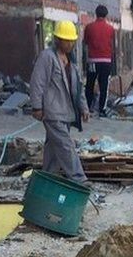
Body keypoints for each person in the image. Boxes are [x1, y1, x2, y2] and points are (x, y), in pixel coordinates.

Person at [30, 20, 89, 185]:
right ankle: (79, 178)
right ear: (57, 39)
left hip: (66, 113)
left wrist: (83, 107)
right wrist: (36, 106)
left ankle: (48, 177)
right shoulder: (47, 57)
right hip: (53, 112)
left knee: (53, 148)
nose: (70, 43)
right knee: (65, 145)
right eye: (66, 40)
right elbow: (37, 83)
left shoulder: (71, 61)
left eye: (72, 40)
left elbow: (78, 87)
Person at [83, 5, 115, 116]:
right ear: (106, 15)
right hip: (106, 61)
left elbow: (85, 43)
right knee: (104, 86)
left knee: (89, 85)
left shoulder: (89, 27)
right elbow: (112, 46)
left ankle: (86, 107)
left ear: (95, 14)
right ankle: (102, 110)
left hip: (92, 61)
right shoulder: (110, 29)